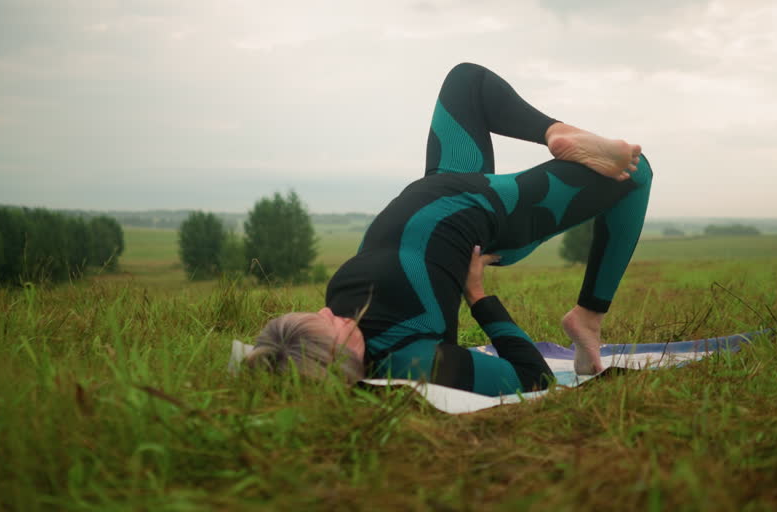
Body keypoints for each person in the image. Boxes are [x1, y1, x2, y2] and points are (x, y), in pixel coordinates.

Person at [245, 62, 653, 395]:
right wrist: (478, 296)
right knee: (633, 171)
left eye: (317, 313)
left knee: (466, 81)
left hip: (451, 194)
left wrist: (472, 292)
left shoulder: (344, 308)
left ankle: (555, 134)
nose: (325, 310)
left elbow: (534, 377)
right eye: (328, 325)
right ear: (339, 358)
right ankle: (587, 315)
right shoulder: (411, 362)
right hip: (477, 212)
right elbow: (533, 377)